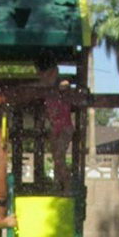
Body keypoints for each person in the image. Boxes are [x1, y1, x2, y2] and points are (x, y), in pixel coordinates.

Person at [35, 51, 74, 192]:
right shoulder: (43, 87)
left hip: (65, 128)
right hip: (54, 127)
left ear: (54, 72)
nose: (42, 77)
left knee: (59, 158)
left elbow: (66, 84)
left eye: (45, 74)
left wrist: (59, 87)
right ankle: (59, 186)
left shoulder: (61, 84)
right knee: (56, 158)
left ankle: (67, 188)